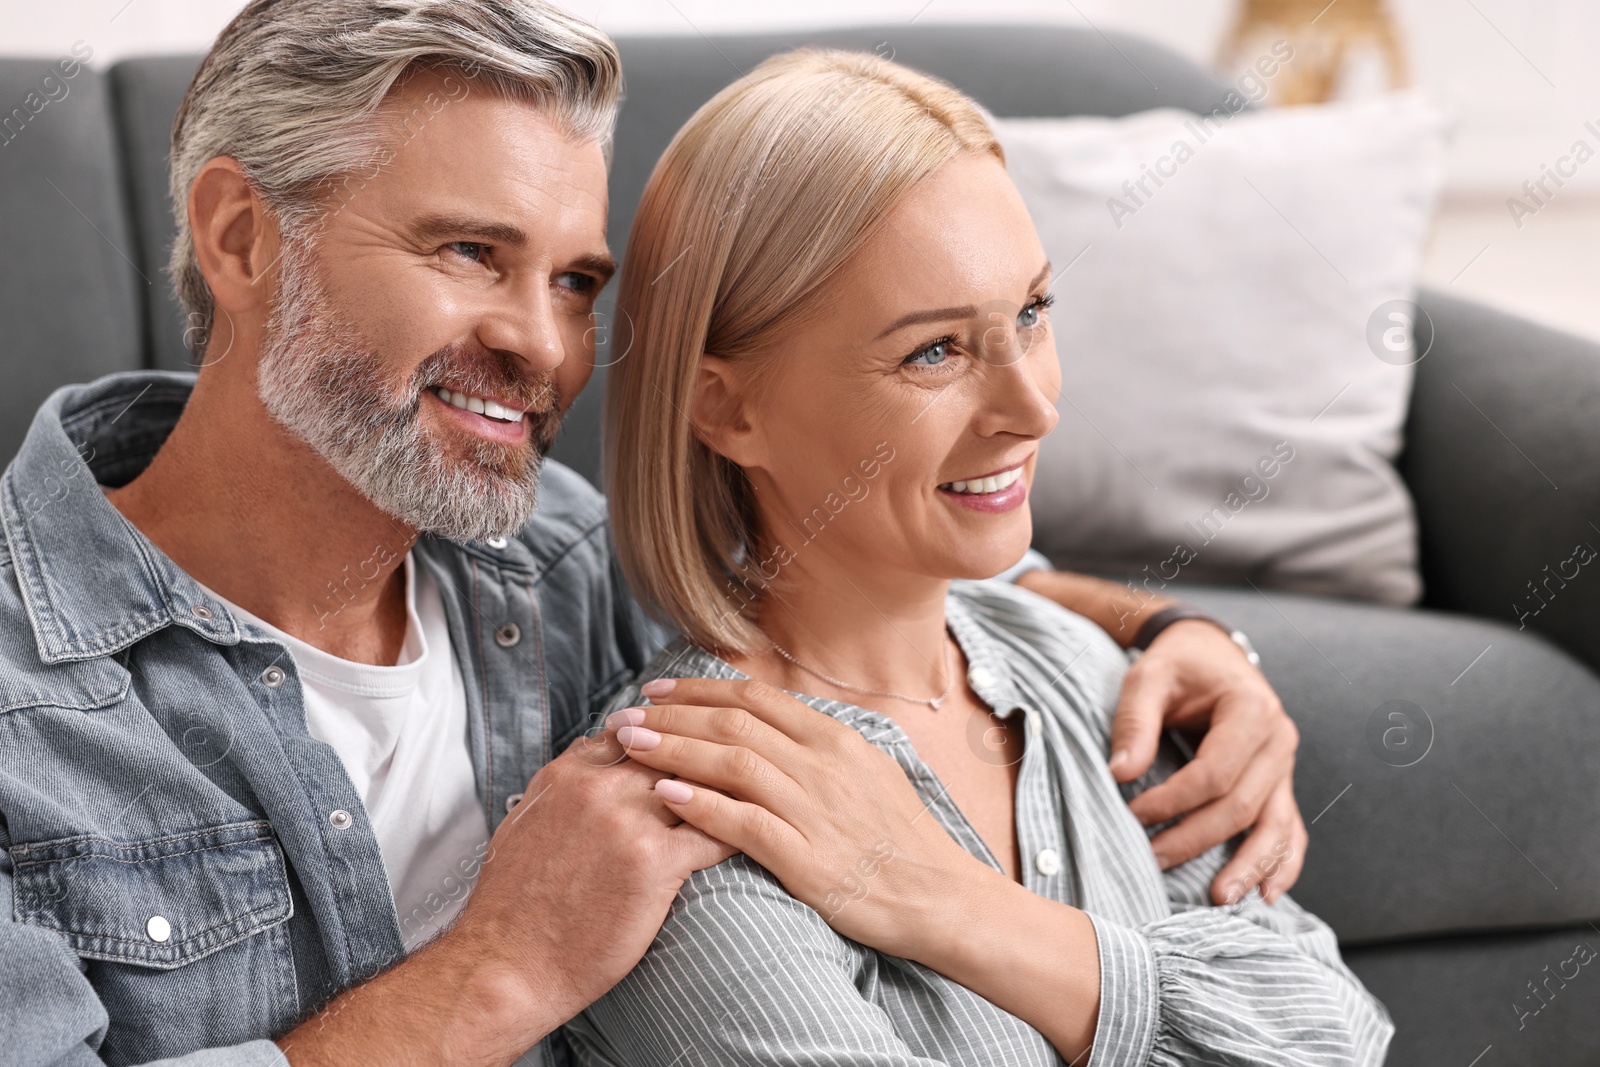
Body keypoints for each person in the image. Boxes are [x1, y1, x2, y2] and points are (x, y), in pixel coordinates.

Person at [0, 3, 1298, 1065]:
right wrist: (501, 967)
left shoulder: (556, 557)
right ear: (241, 236)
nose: (544, 345)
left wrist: (1173, 630)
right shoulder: (27, 704)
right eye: (468, 250)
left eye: (574, 281)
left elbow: (874, 547)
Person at [566, 50, 1392, 1066]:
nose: (1032, 406)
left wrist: (946, 902)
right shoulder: (691, 804)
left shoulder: (1084, 677)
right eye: (934, 351)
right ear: (727, 407)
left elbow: (1335, 1034)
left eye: (1031, 314)